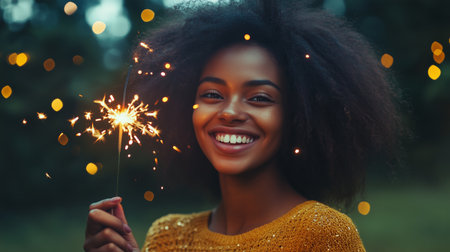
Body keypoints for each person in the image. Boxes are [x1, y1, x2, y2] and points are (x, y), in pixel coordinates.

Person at [84, 0, 403, 251]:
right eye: (212, 94)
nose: (230, 112)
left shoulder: (321, 234)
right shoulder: (166, 236)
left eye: (260, 98)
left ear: (298, 114)